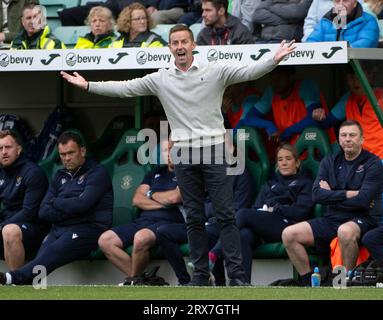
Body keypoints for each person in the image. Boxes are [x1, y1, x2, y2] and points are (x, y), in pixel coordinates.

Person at [61, 24, 295, 286]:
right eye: (175, 43)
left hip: (215, 149)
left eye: (184, 42)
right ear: (170, 47)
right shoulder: (162, 78)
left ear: (193, 44)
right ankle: (200, 278)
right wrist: (88, 85)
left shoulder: (214, 70)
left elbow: (249, 70)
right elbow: (125, 87)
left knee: (225, 214)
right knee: (193, 217)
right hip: (183, 153)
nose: (180, 47)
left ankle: (238, 278)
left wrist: (274, 59)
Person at [0, 131, 113, 285]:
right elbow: (44, 211)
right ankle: (30, 288)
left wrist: (57, 202)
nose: (67, 158)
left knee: (55, 250)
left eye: (71, 153)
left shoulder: (97, 172)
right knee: (42, 257)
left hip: (89, 228)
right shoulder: (60, 176)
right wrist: (68, 207)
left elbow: (83, 204)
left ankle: (12, 278)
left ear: (83, 151)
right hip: (61, 227)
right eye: (63, 154)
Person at [282, 120, 383, 286]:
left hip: (362, 219)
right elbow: (316, 195)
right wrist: (349, 194)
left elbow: (364, 201)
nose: (348, 139)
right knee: (289, 234)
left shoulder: (373, 163)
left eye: (352, 135)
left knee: (344, 231)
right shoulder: (329, 161)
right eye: (344, 135)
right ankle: (308, 284)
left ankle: (344, 283)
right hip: (331, 219)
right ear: (339, 139)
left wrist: (331, 194)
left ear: (361, 140)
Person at [98, 139, 184, 285]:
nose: (170, 153)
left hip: (168, 223)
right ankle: (140, 280)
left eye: (173, 149)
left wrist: (151, 194)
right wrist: (162, 203)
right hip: (142, 221)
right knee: (105, 241)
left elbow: (174, 198)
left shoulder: (187, 173)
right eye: (166, 150)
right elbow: (137, 199)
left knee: (140, 238)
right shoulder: (154, 173)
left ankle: (134, 281)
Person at [156, 167, 252, 285]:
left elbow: (239, 207)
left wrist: (213, 210)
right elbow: (196, 204)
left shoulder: (239, 172)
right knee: (164, 231)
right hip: (202, 222)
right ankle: (184, 281)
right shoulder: (202, 170)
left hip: (224, 223)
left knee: (220, 227)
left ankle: (224, 281)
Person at [236, 144, 313, 282]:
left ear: (297, 162)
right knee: (244, 235)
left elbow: (300, 212)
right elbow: (256, 208)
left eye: (288, 159)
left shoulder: (305, 183)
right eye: (280, 159)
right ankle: (242, 283)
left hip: (287, 226)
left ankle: (214, 253)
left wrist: (277, 208)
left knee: (242, 214)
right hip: (265, 227)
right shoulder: (269, 184)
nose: (284, 163)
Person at [236, 66, 336, 146]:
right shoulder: (272, 91)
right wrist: (270, 126)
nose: (275, 82)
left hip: (316, 146)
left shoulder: (305, 85)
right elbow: (248, 118)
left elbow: (314, 118)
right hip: (288, 150)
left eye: (279, 78)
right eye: (272, 78)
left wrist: (287, 132)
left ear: (290, 77)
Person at [0, 130, 48, 270]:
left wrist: (2, 226)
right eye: (0, 148)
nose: (4, 152)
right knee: (7, 229)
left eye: (8, 147)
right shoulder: (2, 173)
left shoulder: (32, 172)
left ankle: (16, 280)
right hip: (8, 223)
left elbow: (29, 212)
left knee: (9, 230)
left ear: (19, 149)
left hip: (33, 228)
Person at [312, 65, 383, 159]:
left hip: (379, 158)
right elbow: (327, 122)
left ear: (370, 77)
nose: (354, 81)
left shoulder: (381, 97)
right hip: (356, 158)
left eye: (358, 76)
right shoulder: (348, 99)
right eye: (351, 77)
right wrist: (319, 115)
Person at [306, 0, 379, 48]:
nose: (341, 4)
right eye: (337, 1)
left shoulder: (368, 21)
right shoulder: (325, 21)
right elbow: (311, 43)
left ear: (355, 3)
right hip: (326, 69)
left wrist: (343, 50)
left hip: (355, 69)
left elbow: (366, 43)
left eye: (345, 0)